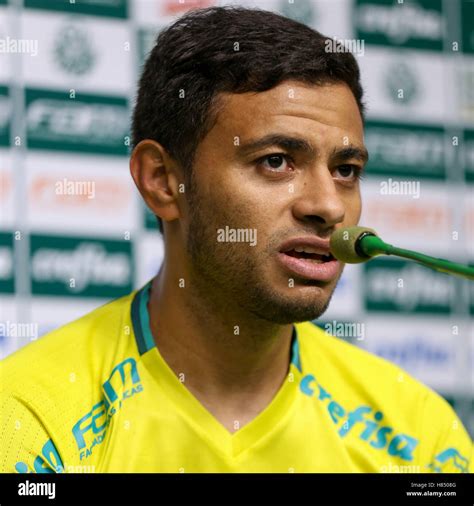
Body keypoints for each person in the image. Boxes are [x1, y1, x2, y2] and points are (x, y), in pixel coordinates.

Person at [1, 6, 472, 473]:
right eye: (275, 161)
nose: (328, 206)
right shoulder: (28, 423)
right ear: (163, 181)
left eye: (346, 170)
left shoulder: (420, 437)